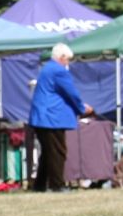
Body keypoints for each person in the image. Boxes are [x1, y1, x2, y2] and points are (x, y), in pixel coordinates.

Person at [29, 43, 92, 193]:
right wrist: (82, 108)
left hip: (42, 117)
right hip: (52, 118)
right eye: (67, 59)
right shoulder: (58, 70)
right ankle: (57, 185)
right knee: (58, 151)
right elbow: (71, 92)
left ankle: (39, 185)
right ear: (62, 57)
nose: (67, 63)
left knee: (48, 152)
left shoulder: (47, 68)